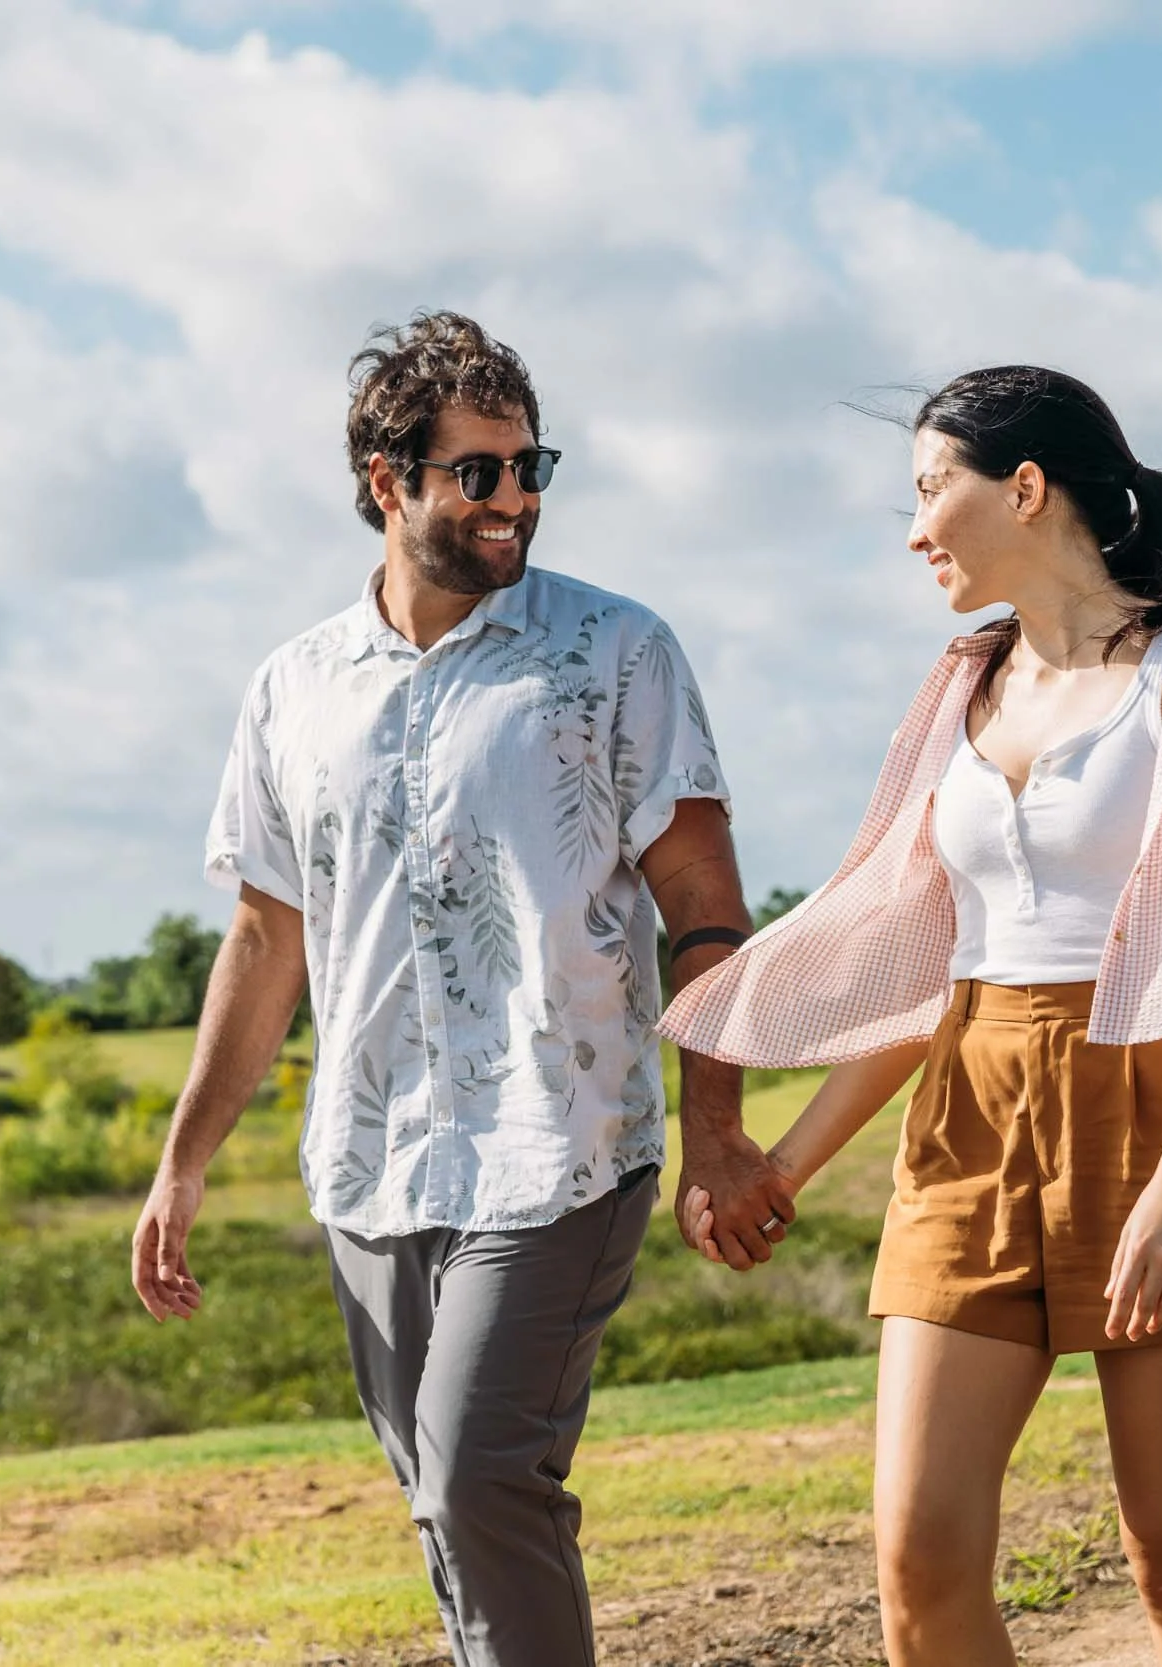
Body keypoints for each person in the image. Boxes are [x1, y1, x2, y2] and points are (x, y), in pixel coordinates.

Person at [663, 366, 1162, 1667]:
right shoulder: (960, 686)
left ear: (1025, 487)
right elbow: (933, 968)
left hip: (1159, 1107)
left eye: (933, 491)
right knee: (919, 1559)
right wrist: (786, 1163)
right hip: (969, 1117)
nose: (917, 529)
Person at [131, 310, 775, 1667]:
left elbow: (710, 910)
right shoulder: (293, 689)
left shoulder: (615, 652)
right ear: (391, 481)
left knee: (478, 1477)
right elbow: (264, 942)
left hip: (565, 1144)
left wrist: (716, 1130)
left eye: (532, 465)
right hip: (370, 1163)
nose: (517, 498)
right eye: (479, 471)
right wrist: (183, 1164)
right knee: (446, 1507)